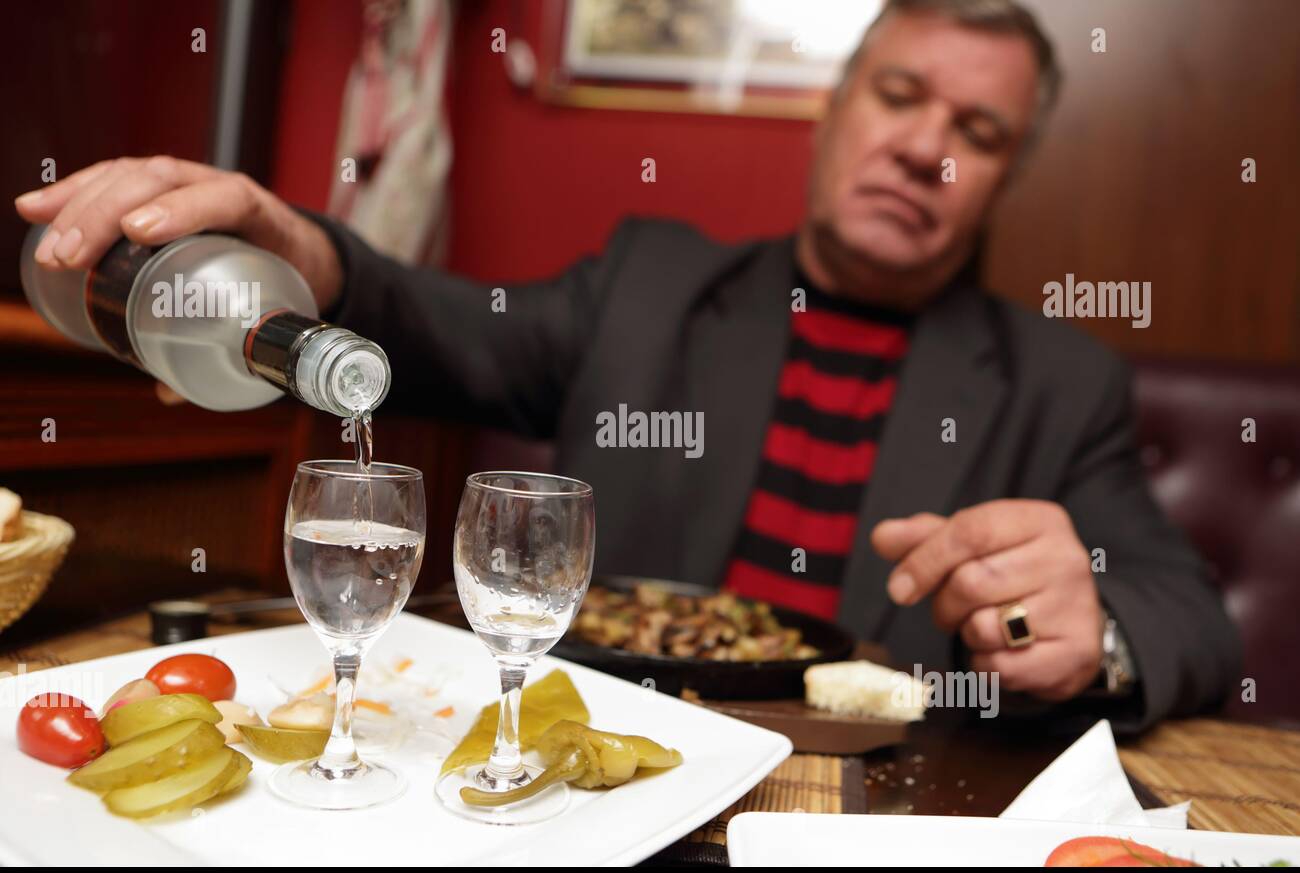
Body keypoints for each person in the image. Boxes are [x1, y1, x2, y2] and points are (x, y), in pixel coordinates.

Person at [14, 0, 1238, 730]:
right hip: (591, 765)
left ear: (1007, 175)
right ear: (835, 107)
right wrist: (307, 253)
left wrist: (1097, 626)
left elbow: (1192, 619)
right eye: (900, 95)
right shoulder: (651, 286)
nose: (926, 148)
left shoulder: (1059, 381)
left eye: (976, 132)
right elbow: (440, 325)